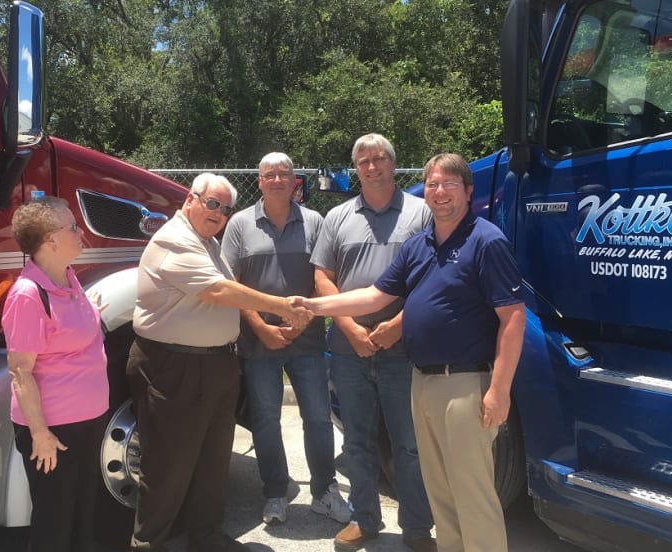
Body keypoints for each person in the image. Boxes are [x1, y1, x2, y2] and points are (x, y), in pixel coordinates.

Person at [299, 153, 526, 552]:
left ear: (468, 192)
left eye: (449, 184)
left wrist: (500, 390)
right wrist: (312, 306)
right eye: (433, 184)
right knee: (441, 491)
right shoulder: (419, 245)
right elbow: (373, 296)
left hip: (464, 382)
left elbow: (513, 318)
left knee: (472, 493)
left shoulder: (486, 240)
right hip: (421, 379)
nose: (440, 192)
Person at [128, 173, 312, 552]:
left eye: (226, 209)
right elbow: (217, 290)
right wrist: (281, 306)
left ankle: (206, 539)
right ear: (190, 199)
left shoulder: (208, 242)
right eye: (211, 203)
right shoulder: (174, 240)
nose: (218, 213)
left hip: (214, 366)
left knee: (212, 464)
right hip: (175, 368)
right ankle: (148, 544)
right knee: (167, 470)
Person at [309, 133, 436, 551]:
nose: (371, 166)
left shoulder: (421, 212)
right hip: (349, 352)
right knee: (357, 442)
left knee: (409, 445)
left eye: (379, 158)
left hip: (404, 349)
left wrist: (398, 324)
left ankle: (417, 528)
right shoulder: (337, 217)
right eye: (363, 161)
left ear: (393, 163)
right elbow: (322, 278)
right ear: (356, 169)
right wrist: (349, 328)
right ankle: (364, 520)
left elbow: (435, 276)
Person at [222, 152, 350, 526]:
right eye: (269, 174)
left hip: (308, 342)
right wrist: (261, 327)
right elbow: (232, 285)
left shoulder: (314, 222)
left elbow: (323, 279)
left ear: (295, 181)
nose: (277, 179)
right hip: (258, 343)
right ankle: (275, 492)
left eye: (284, 174)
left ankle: (324, 491)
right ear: (259, 181)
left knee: (318, 419)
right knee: (265, 420)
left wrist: (303, 320)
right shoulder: (239, 224)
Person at [1, 196, 109, 552]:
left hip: (88, 422)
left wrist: (91, 313)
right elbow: (20, 373)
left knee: (81, 517)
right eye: (73, 227)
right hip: (54, 431)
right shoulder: (28, 295)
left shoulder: (68, 277)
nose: (81, 233)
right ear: (50, 240)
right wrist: (39, 434)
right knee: (55, 524)